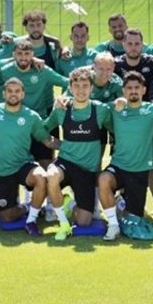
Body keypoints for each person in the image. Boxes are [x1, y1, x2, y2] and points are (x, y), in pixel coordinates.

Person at [42, 68, 112, 240]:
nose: (81, 90)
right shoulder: (61, 109)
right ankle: (64, 223)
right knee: (51, 176)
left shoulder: (101, 110)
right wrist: (54, 143)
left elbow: (117, 129)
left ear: (91, 89)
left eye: (85, 86)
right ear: (70, 88)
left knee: (84, 221)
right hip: (66, 162)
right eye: (77, 86)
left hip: (87, 170)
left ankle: (69, 203)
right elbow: (43, 128)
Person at [0, 78, 57, 233]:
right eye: (9, 91)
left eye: (17, 91)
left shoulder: (31, 116)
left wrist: (73, 145)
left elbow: (47, 140)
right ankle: (28, 207)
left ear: (23, 94)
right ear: (3, 93)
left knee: (41, 177)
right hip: (2, 171)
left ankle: (31, 221)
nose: (13, 94)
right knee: (6, 217)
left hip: (24, 165)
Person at [101, 71, 153, 239]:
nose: (133, 91)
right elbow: (92, 107)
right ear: (123, 91)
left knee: (134, 216)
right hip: (119, 165)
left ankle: (121, 205)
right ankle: (113, 225)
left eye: (137, 87)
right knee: (103, 179)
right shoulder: (115, 108)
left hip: (140, 170)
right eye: (129, 88)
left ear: (144, 90)